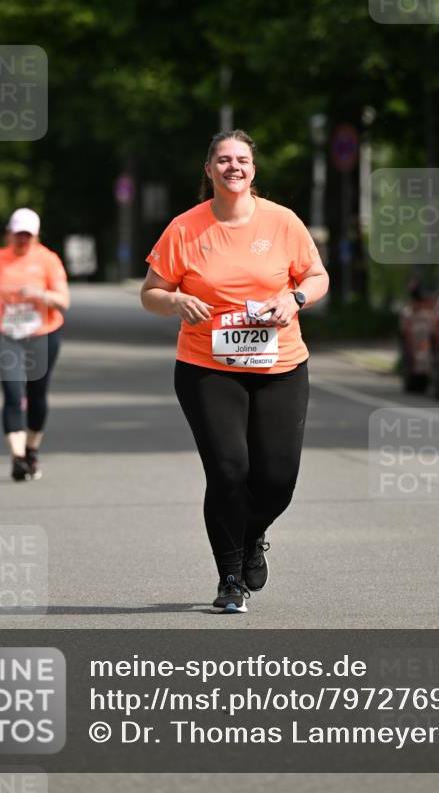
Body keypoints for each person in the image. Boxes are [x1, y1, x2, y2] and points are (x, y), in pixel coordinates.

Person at [141, 130, 329, 613]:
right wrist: (176, 299)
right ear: (209, 170)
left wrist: (295, 297)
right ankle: (229, 579)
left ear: (253, 169)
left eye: (241, 160)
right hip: (207, 366)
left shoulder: (282, 222)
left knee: (277, 478)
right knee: (228, 471)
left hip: (281, 364)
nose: (233, 167)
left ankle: (252, 534)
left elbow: (316, 274)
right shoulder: (185, 229)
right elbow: (151, 292)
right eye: (223, 160)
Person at [0, 208, 69, 482]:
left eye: (27, 236)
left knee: (37, 394)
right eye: (18, 234)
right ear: (9, 233)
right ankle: (17, 459)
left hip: (43, 333)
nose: (22, 240)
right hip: (7, 334)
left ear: (36, 235)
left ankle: (31, 450)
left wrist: (40, 294)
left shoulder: (47, 259)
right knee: (12, 391)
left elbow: (64, 301)